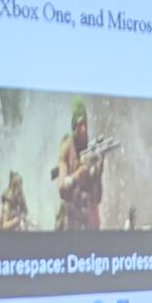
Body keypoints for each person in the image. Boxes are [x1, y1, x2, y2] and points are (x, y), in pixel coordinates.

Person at [53, 98, 106, 232]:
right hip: (70, 219)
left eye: (85, 125)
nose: (83, 129)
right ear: (74, 127)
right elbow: (62, 189)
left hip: (87, 219)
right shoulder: (67, 148)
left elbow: (97, 197)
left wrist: (98, 171)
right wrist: (78, 174)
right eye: (79, 125)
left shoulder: (90, 149)